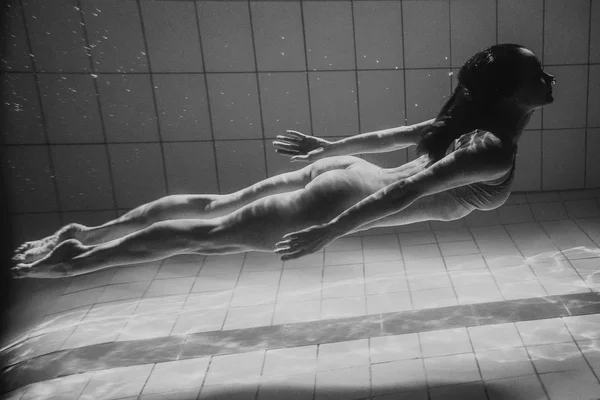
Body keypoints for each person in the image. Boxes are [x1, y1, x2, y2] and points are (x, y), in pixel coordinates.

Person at [11, 44, 555, 279]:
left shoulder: (466, 128)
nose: (548, 78)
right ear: (510, 93)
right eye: (538, 75)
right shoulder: (490, 148)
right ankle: (76, 260)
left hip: (343, 178)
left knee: (214, 206)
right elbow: (404, 194)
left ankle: (91, 232)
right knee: (205, 234)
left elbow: (402, 134)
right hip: (342, 196)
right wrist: (330, 232)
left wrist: (328, 150)